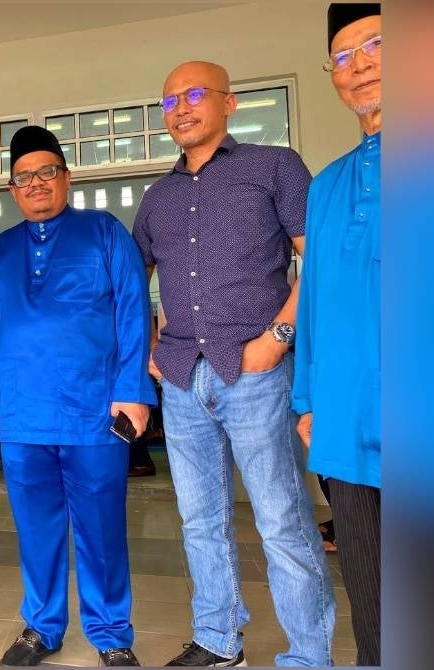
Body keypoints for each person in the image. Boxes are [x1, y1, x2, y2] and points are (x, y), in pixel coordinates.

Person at [132, 60, 335, 667]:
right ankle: (218, 640)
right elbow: (132, 280)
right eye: (170, 100)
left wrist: (278, 338)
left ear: (229, 102)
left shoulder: (274, 166)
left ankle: (309, 655)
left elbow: (319, 259)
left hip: (256, 372)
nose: (182, 108)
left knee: (281, 519)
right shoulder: (158, 197)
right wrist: (149, 346)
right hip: (182, 377)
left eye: (195, 94)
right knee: (199, 520)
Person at [0, 126, 155, 668]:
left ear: (66, 177)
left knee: (101, 528)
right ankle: (42, 626)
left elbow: (133, 310)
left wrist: (132, 390)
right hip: (22, 414)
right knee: (36, 528)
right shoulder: (2, 248)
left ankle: (111, 633)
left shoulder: (104, 231)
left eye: (46, 172)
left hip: (94, 411)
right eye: (23, 177)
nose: (36, 183)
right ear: (12, 189)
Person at [293, 4, 382, 665]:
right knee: (371, 591)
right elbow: (315, 303)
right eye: (344, 57)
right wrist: (306, 401)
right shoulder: (326, 187)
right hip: (346, 421)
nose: (360, 65)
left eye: (377, 45)